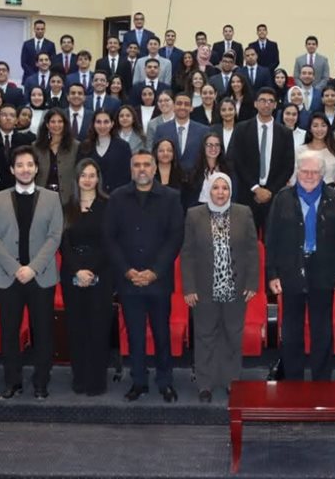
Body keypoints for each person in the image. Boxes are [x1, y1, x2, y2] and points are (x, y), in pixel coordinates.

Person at [105, 150, 185, 401]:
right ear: (131, 170)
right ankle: (138, 381)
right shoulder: (117, 197)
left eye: (146, 165)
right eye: (137, 165)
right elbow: (109, 238)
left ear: (154, 169)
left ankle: (165, 381)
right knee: (135, 335)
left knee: (162, 335)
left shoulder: (171, 197)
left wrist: (155, 271)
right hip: (128, 280)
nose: (142, 169)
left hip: (158, 280)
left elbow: (176, 237)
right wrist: (127, 271)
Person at [0, 146, 63, 400]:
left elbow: (54, 237)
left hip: (41, 276)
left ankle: (41, 382)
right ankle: (12, 382)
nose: (25, 169)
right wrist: (16, 268)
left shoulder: (51, 198)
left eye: (30, 164)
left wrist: (32, 268)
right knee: (9, 333)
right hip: (8, 277)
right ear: (12, 169)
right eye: (20, 165)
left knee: (43, 332)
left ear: (36, 168)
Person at [266, 151, 335, 381]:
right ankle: (293, 380)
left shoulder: (334, 199)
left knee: (322, 330)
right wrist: (272, 274)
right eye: (305, 171)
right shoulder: (282, 198)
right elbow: (272, 239)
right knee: (291, 331)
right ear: (297, 172)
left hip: (324, 271)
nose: (310, 176)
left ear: (322, 174)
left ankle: (321, 380)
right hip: (291, 270)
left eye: (314, 172)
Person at [181, 172, 259, 402]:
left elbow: (252, 250)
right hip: (204, 288)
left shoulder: (243, 213)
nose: (220, 192)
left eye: (225, 188)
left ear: (230, 191)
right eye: (216, 188)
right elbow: (187, 254)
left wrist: (252, 282)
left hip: (236, 287)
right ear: (208, 190)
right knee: (205, 336)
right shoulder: (194, 215)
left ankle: (231, 380)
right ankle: (205, 384)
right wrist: (189, 287)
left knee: (232, 335)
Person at [61, 159, 111, 396]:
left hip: (101, 272)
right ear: (77, 178)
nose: (88, 180)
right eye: (84, 175)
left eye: (92, 175)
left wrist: (91, 270)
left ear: (98, 178)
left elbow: (110, 241)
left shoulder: (108, 205)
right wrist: (77, 270)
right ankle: (79, 377)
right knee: (76, 327)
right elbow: (63, 243)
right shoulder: (66, 207)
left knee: (98, 327)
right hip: (72, 273)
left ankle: (97, 381)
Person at [33, 109, 78, 204]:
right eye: (53, 122)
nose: (56, 125)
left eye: (60, 121)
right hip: (41, 198)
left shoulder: (75, 146)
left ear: (65, 124)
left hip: (67, 199)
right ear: (47, 125)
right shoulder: (36, 147)